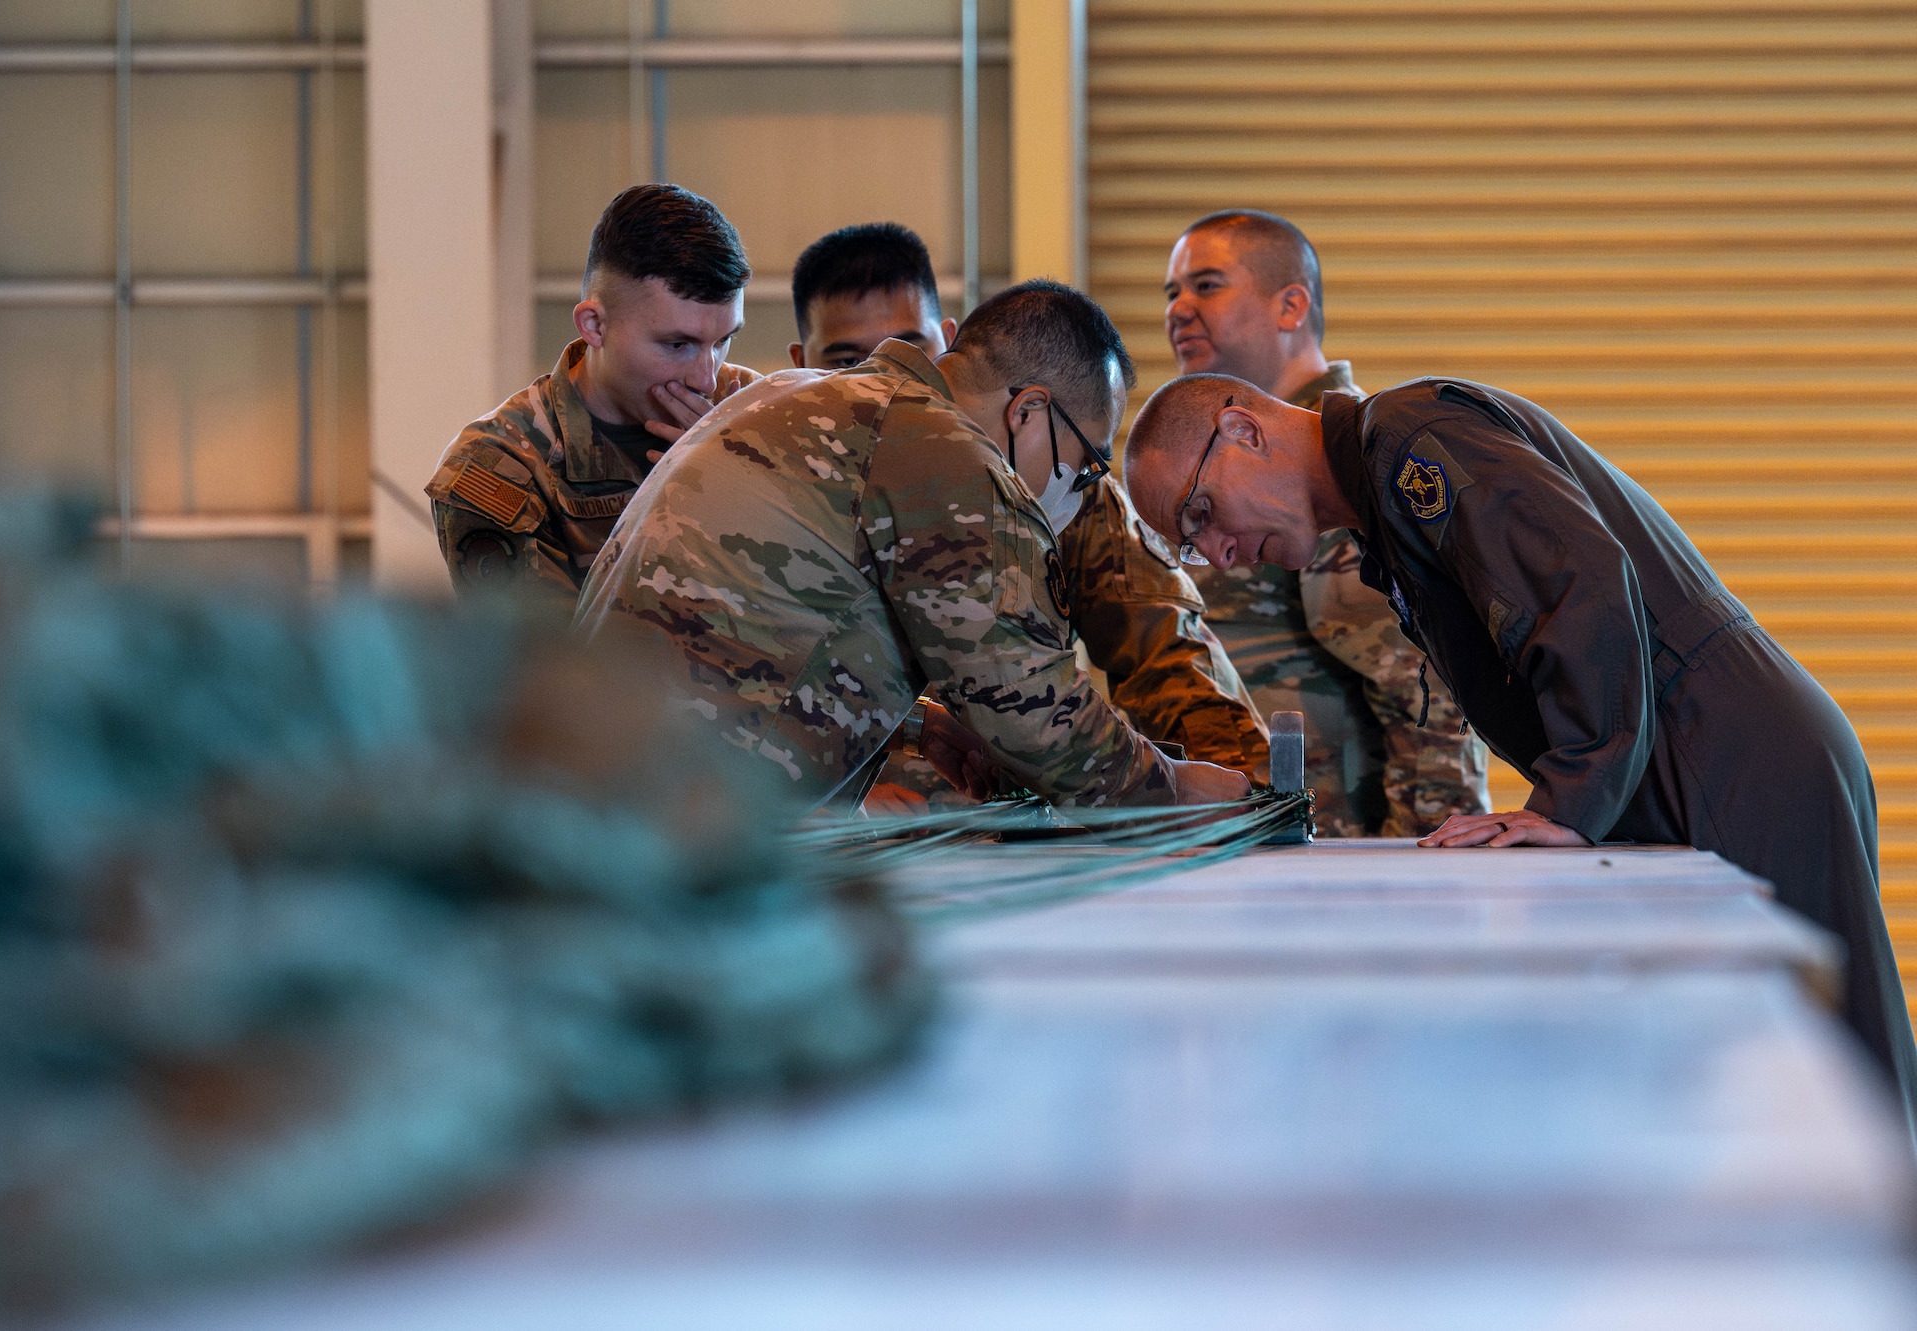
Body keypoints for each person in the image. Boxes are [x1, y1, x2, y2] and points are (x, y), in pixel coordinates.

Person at [1122, 371, 1917, 1137]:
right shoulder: (1384, 500)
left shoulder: (1410, 441)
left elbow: (1584, 584)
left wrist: (1569, 800)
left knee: (1828, 1082)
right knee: (1754, 1089)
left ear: (1243, 429)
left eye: (1199, 513)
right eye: (1191, 546)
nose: (1218, 554)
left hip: (1728, 748)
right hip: (1695, 746)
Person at [577, 280, 1252, 811]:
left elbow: (755, 632)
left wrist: (916, 723)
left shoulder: (807, 396)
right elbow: (1035, 715)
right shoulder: (950, 453)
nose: (1080, 490)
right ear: (1028, 413)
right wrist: (1180, 786)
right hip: (674, 833)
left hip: (597, 798)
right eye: (1087, 461)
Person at [787, 224, 1265, 807]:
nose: (886, 383)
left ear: (946, 345)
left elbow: (1165, 652)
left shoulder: (1063, 485)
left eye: (907, 349)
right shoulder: (800, 468)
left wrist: (1244, 798)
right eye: (848, 359)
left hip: (999, 838)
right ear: (801, 360)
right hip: (819, 837)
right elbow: (1027, 702)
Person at [1164, 209, 1487, 835]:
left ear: (1291, 306)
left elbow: (1424, 695)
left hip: (1338, 863)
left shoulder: (1329, 465)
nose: (1178, 308)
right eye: (1171, 291)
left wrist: (1422, 875)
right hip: (1270, 852)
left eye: (1206, 285)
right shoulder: (1242, 459)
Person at [426, 184, 760, 610]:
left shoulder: (753, 408)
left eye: (723, 341)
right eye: (678, 345)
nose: (707, 379)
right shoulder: (501, 468)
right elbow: (558, 668)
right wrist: (692, 505)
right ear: (595, 326)